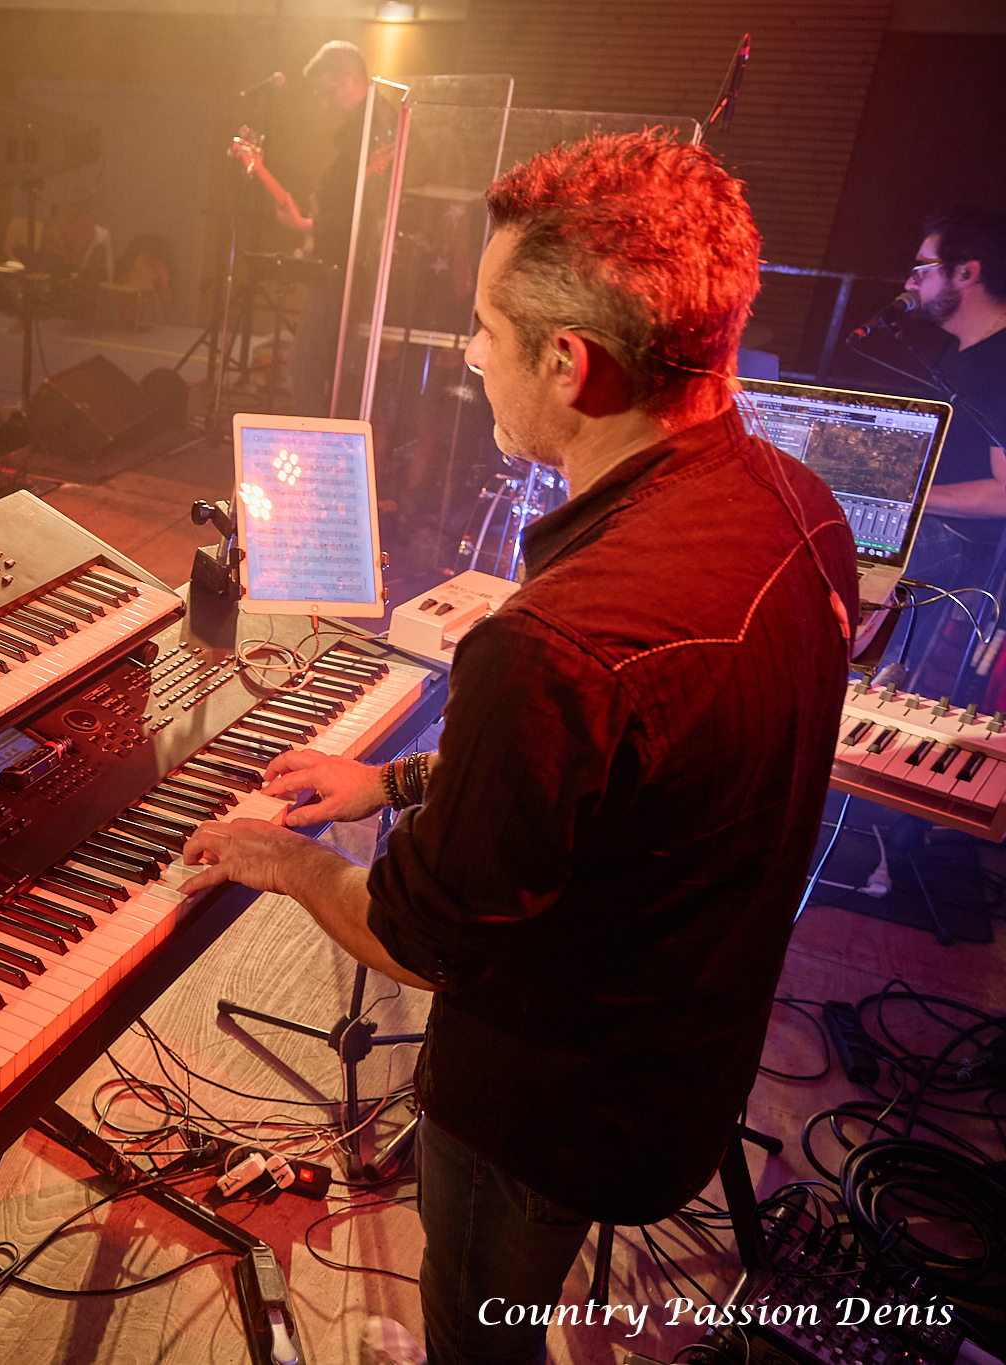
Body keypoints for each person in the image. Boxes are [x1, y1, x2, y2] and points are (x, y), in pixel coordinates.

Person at [177, 132, 857, 1365]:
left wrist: (279, 860)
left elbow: (413, 939)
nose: (469, 353)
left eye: (483, 328)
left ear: (566, 363)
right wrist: (392, 780)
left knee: (477, 1338)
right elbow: (626, 784)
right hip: (687, 1067)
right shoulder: (798, 506)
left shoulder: (552, 643)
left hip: (545, 1116)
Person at [883, 206, 1006, 702]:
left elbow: (1004, 495)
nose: (909, 282)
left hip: (965, 550)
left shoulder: (1000, 363)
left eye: (922, 269)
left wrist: (908, 498)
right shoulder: (959, 349)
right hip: (934, 529)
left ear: (966, 273)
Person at [235, 40, 373, 416]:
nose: (325, 105)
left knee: (306, 368)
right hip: (338, 266)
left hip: (346, 270)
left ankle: (318, 442)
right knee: (318, 368)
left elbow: (367, 211)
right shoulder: (356, 133)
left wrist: (309, 224)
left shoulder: (371, 132)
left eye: (328, 93)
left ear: (351, 79)